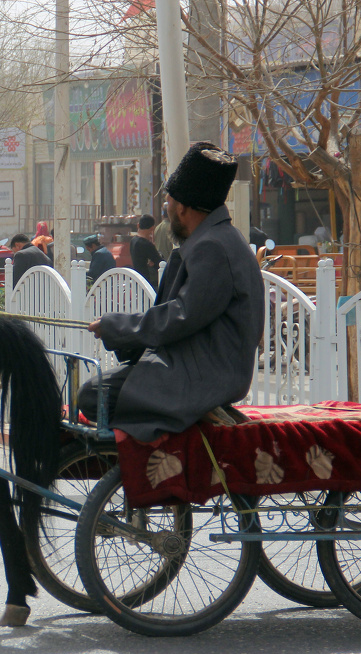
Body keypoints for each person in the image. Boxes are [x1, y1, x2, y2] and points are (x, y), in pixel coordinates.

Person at [76, 141, 264, 441]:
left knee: (93, 394)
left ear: (182, 207)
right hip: (203, 366)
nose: (166, 208)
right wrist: (121, 330)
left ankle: (160, 475)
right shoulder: (218, 239)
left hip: (207, 375)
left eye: (168, 202)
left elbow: (181, 316)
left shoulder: (213, 247)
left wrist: (118, 326)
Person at [128, 214, 163, 286]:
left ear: (138, 225)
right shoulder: (147, 244)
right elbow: (159, 262)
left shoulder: (133, 241)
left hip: (137, 279)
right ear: (152, 228)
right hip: (148, 282)